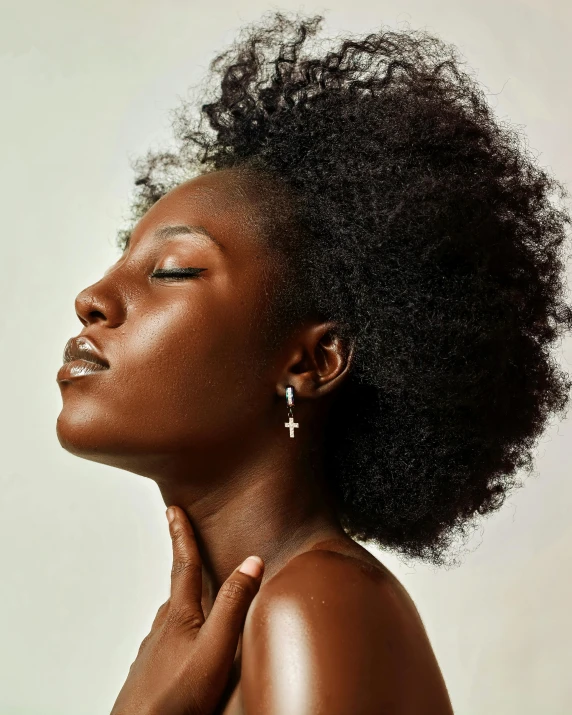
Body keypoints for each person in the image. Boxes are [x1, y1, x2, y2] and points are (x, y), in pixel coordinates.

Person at [55, 12, 572, 715]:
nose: (92, 298)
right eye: (120, 261)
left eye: (172, 270)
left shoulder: (312, 606)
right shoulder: (246, 622)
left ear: (312, 361)